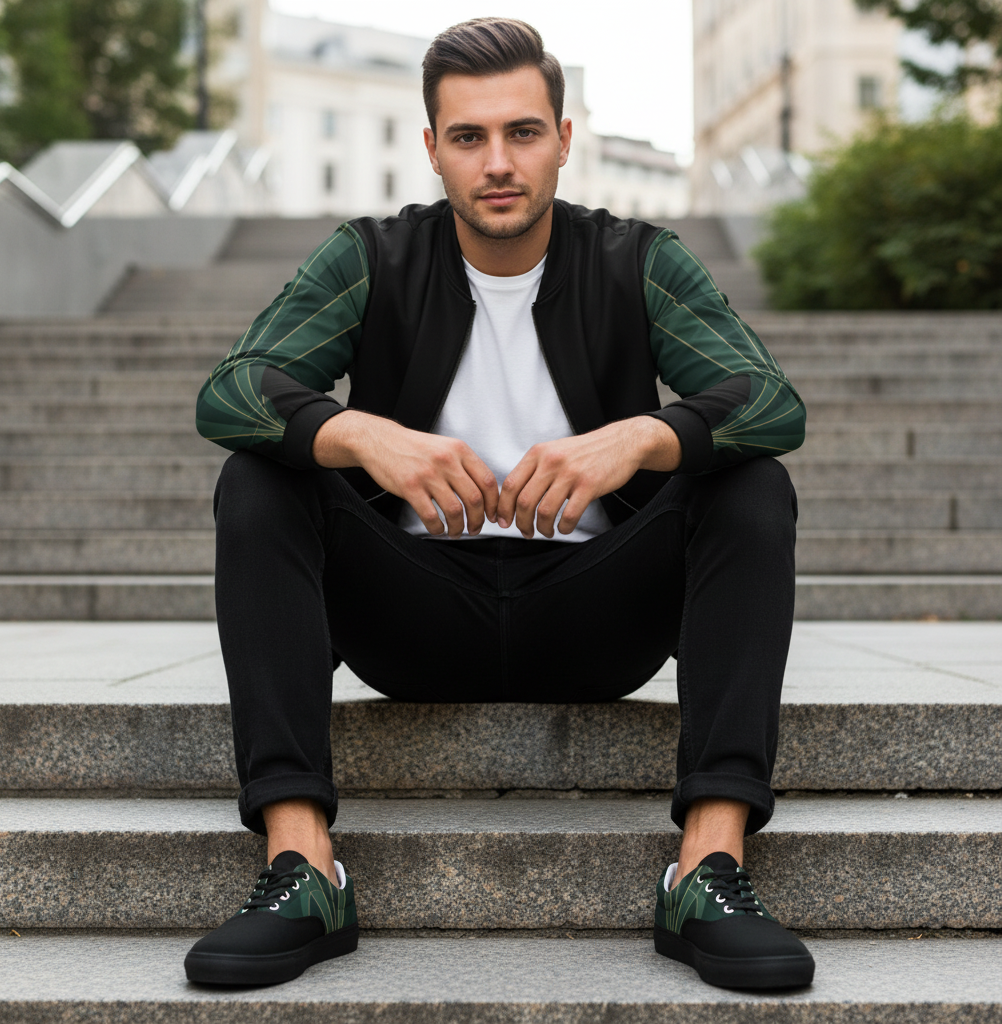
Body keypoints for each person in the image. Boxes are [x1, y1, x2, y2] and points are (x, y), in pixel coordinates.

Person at [185, 17, 813, 991]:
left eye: (522, 132)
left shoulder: (636, 259)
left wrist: (641, 435)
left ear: (565, 139)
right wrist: (360, 434)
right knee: (259, 476)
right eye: (469, 137)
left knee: (750, 483)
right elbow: (231, 389)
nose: (498, 161)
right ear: (432, 147)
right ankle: (302, 866)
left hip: (597, 615)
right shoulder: (371, 257)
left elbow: (768, 401)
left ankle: (708, 868)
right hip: (412, 614)